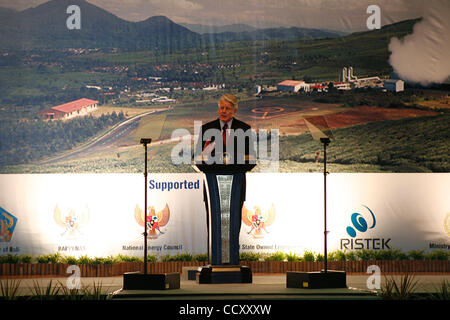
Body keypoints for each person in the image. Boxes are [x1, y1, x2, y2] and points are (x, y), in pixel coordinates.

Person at [197, 94, 254, 265]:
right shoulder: (207, 129)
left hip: (235, 186)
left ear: (235, 110)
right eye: (221, 107)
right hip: (213, 187)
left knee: (233, 224)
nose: (223, 111)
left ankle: (232, 262)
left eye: (227, 108)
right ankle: (215, 261)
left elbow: (251, 159)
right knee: (214, 223)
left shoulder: (244, 129)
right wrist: (206, 153)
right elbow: (198, 158)